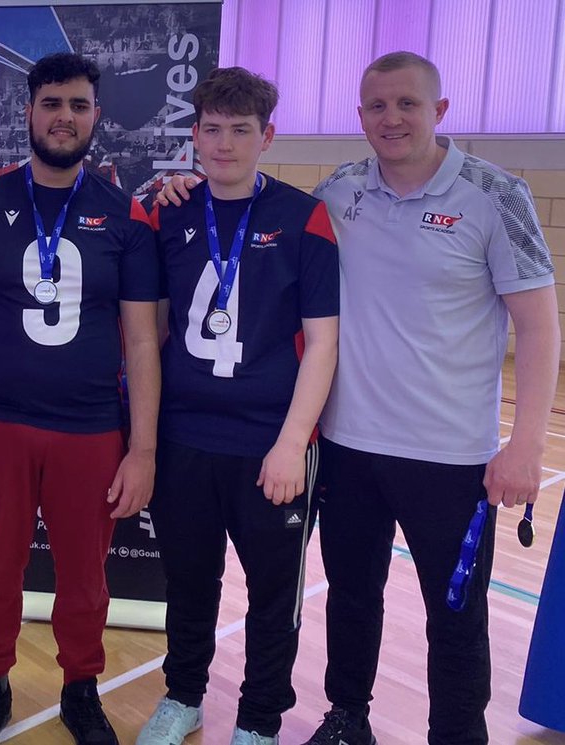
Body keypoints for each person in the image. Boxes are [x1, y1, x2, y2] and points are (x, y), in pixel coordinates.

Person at [158, 51, 560, 745]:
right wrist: (180, 186)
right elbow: (248, 212)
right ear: (360, 117)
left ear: (439, 111)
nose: (392, 118)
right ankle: (348, 717)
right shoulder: (340, 193)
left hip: (450, 452)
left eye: (407, 104)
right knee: (351, 597)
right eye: (377, 106)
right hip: (346, 443)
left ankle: (458, 734)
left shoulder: (498, 195)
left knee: (455, 613)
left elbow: (539, 324)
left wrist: (525, 443)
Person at [0, 53, 160, 745]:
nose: (65, 117)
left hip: (91, 430)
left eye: (80, 106)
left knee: (86, 580)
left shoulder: (128, 215)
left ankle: (80, 688)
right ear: (28, 111)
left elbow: (144, 341)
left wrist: (143, 447)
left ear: (96, 117)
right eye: (53, 103)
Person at [135, 68, 338, 745]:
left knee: (273, 595)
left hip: (268, 443)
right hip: (184, 437)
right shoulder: (168, 209)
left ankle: (257, 720)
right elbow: (147, 325)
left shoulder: (303, 216)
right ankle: (183, 694)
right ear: (193, 134)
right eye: (212, 129)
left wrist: (291, 441)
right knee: (190, 579)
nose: (224, 144)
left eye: (241, 130)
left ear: (267, 136)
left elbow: (323, 343)